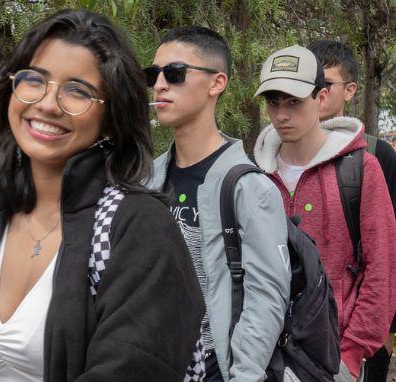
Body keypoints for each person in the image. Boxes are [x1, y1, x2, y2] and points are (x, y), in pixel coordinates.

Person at [0, 9, 204, 382]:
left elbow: (133, 367)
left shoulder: (138, 229)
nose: (47, 104)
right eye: (34, 80)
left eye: (78, 91)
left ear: (111, 116)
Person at [146, 26, 291, 381]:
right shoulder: (147, 179)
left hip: (214, 368)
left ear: (217, 83)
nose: (160, 84)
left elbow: (267, 298)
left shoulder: (249, 188)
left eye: (175, 73)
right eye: (154, 74)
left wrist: (243, 376)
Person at [253, 45, 396, 379]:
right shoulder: (253, 175)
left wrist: (349, 356)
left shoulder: (361, 169)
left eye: (294, 101)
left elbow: (382, 269)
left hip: (333, 358)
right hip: (262, 358)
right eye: (273, 102)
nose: (282, 115)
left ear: (319, 98)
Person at [308, 39, 396, 381]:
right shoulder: (282, 158)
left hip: (360, 330)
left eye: (326, 84)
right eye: (311, 84)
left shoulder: (374, 157)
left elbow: (387, 249)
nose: (318, 93)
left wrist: (385, 329)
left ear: (350, 90)